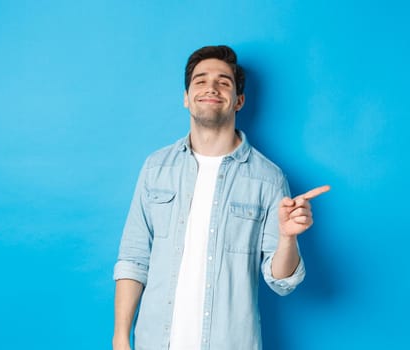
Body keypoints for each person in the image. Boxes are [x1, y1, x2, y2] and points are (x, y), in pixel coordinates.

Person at [112, 45, 330, 350]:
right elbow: (134, 259)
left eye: (223, 82)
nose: (211, 87)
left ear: (238, 100)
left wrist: (287, 238)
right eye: (200, 81)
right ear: (186, 98)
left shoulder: (268, 178)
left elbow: (282, 281)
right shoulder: (156, 168)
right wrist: (121, 337)